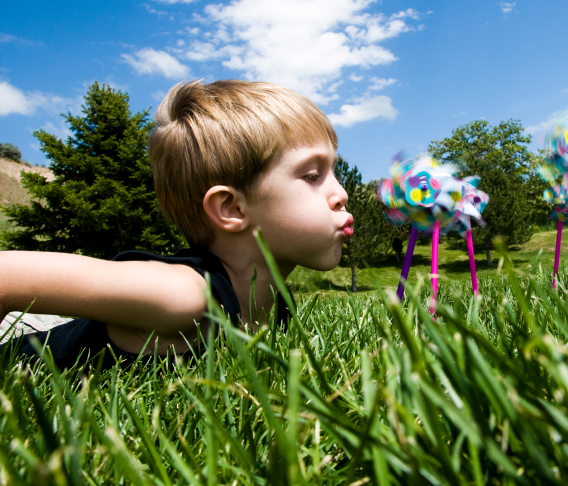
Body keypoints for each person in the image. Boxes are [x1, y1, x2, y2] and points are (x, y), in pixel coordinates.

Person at [0, 80, 353, 370]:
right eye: (311, 175)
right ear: (231, 207)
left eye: (334, 172)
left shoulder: (275, 302)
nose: (341, 193)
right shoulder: (181, 295)